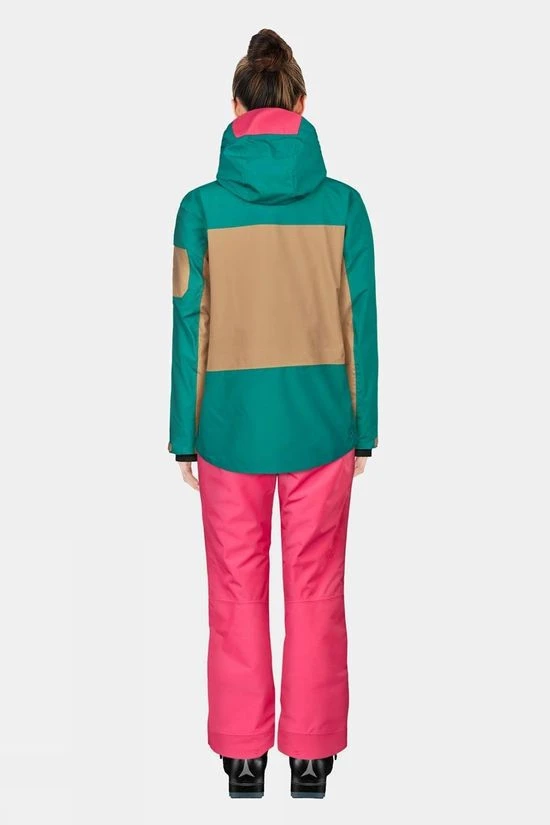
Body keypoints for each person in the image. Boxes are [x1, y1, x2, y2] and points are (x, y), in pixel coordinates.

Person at [168, 28, 379, 799]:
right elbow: (361, 325)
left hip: (228, 429)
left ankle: (243, 757)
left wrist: (184, 436)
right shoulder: (346, 208)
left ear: (236, 107)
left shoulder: (199, 209)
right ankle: (312, 757)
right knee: (317, 589)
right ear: (301, 104)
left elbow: (189, 327)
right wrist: (363, 429)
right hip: (322, 426)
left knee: (234, 590)